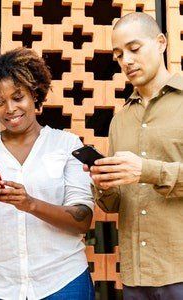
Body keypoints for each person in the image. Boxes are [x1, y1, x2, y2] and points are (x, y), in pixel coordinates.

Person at [0, 47, 95, 300]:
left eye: (18, 97)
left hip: (63, 281)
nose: (10, 108)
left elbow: (82, 219)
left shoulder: (67, 145)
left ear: (34, 94)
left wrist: (30, 204)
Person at [87, 12, 183, 299]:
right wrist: (103, 185)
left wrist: (147, 171)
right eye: (118, 55)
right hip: (135, 274)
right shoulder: (121, 119)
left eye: (134, 49)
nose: (126, 60)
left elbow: (145, 173)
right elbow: (116, 203)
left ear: (161, 42)